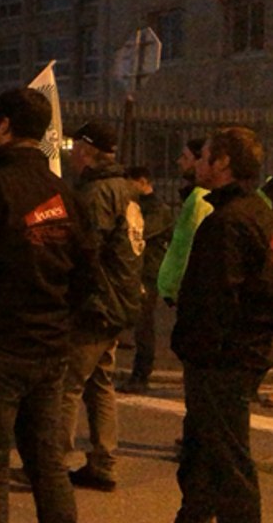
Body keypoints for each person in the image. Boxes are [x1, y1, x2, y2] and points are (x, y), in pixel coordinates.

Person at [0, 88, 91, 523]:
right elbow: (86, 269)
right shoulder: (63, 193)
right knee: (47, 465)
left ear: (3, 124)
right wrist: (62, 319)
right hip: (48, 347)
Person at [170, 127, 273, 523]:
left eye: (204, 154)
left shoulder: (228, 222)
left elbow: (215, 301)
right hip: (237, 354)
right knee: (201, 454)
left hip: (221, 361)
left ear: (223, 162)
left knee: (228, 461)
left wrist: (195, 348)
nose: (196, 162)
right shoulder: (256, 212)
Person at [60, 121, 143, 492]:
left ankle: (54, 462)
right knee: (100, 382)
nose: (72, 155)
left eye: (76, 148)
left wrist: (75, 297)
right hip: (118, 300)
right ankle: (104, 460)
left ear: (86, 152)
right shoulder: (125, 189)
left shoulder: (95, 193)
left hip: (97, 303)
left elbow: (86, 252)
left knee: (68, 383)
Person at [120, 166, 173, 394]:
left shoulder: (157, 209)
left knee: (144, 325)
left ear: (142, 182)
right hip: (137, 270)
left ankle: (141, 374)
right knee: (136, 320)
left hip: (148, 272)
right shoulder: (138, 206)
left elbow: (140, 232)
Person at [157, 139, 213, 307]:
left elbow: (188, 248)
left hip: (186, 293)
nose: (179, 161)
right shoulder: (197, 197)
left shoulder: (199, 199)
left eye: (185, 157)